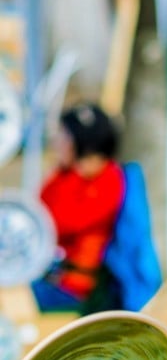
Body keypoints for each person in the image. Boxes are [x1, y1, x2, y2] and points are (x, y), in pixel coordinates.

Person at [31, 102, 125, 313]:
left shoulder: (109, 180)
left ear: (83, 145)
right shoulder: (64, 174)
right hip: (44, 275)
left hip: (71, 286)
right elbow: (38, 208)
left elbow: (57, 223)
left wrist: (73, 174)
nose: (56, 142)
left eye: (64, 137)